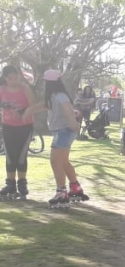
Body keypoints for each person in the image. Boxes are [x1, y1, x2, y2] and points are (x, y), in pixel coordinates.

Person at [25, 70, 89, 207]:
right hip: (62, 131)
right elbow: (44, 105)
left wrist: (73, 123)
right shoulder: (55, 96)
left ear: (49, 83)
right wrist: (28, 110)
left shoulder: (60, 96)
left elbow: (67, 109)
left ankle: (61, 192)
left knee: (55, 161)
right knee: (63, 162)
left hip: (64, 131)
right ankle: (75, 188)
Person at [0, 65, 36, 200]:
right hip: (8, 126)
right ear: (5, 78)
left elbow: (33, 105)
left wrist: (21, 113)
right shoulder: (2, 90)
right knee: (10, 156)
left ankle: (22, 183)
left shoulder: (25, 89)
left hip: (24, 126)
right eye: (11, 78)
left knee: (21, 156)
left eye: (16, 77)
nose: (14, 81)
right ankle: (10, 184)